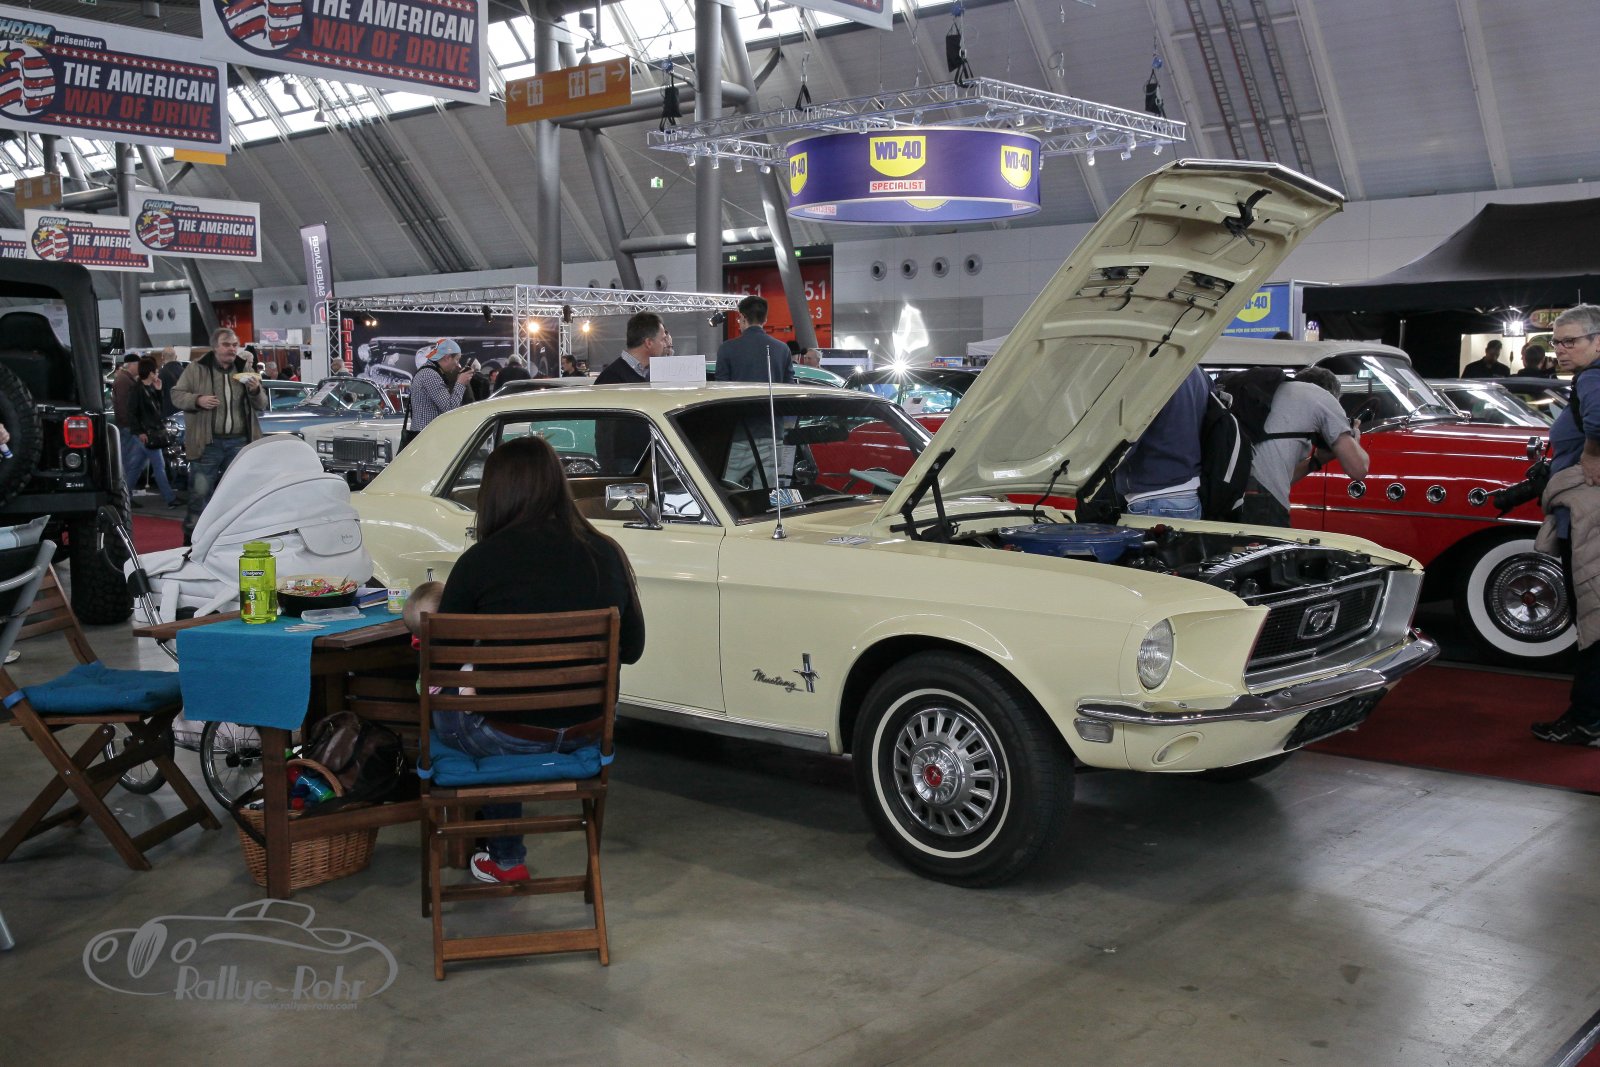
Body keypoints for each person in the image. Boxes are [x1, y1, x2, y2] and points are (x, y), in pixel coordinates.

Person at [432, 435, 645, 883]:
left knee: (451, 699)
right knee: (496, 699)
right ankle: (505, 856)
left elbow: (442, 661)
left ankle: (505, 856)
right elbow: (632, 649)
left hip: (505, 737)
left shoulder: (479, 561)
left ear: (494, 494)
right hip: (589, 732)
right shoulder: (606, 551)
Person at [1531, 306, 1600, 745]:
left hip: (1589, 520)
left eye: (1570, 341)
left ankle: (1587, 720)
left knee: (1592, 619)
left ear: (1598, 341)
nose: (1560, 349)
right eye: (1556, 341)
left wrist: (1591, 453)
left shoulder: (1591, 379)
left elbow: (1598, 421)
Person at [172, 328, 267, 543]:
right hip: (207, 444)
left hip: (240, 444)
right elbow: (176, 395)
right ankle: (192, 543)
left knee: (241, 495)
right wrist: (197, 400)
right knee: (199, 495)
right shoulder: (197, 369)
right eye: (226, 344)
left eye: (235, 345)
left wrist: (255, 391)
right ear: (215, 347)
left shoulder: (246, 369)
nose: (232, 349)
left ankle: (235, 541)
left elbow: (261, 405)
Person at [1242, 366, 1369, 527]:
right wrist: (1354, 437)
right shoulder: (1321, 396)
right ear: (1333, 396)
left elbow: (1277, 473)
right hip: (1264, 503)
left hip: (1232, 493)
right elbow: (1358, 469)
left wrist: (1316, 461)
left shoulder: (1272, 396)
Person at [1114, 366, 1209, 519]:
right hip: (1189, 494)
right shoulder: (1197, 373)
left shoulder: (1153, 370)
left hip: (1154, 496)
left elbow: (1126, 440)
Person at [124, 355, 179, 509]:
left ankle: (124, 496)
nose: (157, 373)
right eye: (156, 371)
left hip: (147, 433)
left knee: (136, 466)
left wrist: (159, 391)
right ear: (150, 373)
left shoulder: (148, 388)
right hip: (146, 434)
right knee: (158, 465)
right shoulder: (137, 390)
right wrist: (139, 432)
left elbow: (158, 409)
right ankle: (170, 498)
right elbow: (132, 413)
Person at [715, 296, 794, 385]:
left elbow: (721, 386)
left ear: (743, 318)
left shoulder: (726, 348)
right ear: (765, 320)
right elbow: (790, 386)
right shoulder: (783, 349)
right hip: (773, 395)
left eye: (739, 318)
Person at [406, 338, 467, 441]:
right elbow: (450, 408)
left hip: (424, 436)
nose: (458, 364)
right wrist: (461, 383)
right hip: (428, 438)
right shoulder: (431, 375)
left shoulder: (427, 372)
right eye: (457, 359)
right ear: (447, 357)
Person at [594, 313, 669, 384]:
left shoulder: (646, 373)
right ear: (649, 343)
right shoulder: (611, 378)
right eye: (663, 339)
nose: (666, 344)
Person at [110, 352, 142, 475]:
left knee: (128, 455)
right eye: (138, 365)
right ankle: (125, 480)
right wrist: (129, 423)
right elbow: (123, 405)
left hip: (127, 425)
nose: (139, 368)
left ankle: (126, 480)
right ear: (132, 365)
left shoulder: (125, 379)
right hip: (127, 426)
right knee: (127, 456)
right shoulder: (124, 380)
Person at [156, 347, 184, 417]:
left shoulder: (161, 373)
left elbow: (158, 394)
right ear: (176, 357)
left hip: (168, 412)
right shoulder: (185, 371)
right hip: (183, 410)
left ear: (162, 358)